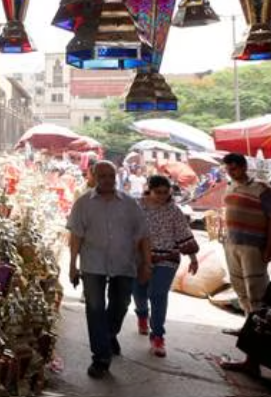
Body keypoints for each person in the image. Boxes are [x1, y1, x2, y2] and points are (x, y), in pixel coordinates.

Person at [67, 160, 152, 378]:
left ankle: (108, 334)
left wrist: (146, 263)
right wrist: (72, 265)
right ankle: (101, 358)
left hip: (124, 263)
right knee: (94, 308)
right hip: (92, 263)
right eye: (102, 176)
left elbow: (143, 235)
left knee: (121, 304)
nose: (107, 180)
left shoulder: (130, 204)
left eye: (110, 176)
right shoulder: (83, 203)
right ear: (93, 177)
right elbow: (76, 236)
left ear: (117, 177)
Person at [132, 175, 199, 357]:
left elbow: (183, 233)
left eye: (165, 193)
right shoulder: (136, 207)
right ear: (149, 189)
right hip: (139, 258)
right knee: (139, 291)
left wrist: (193, 258)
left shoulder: (173, 210)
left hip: (168, 258)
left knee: (158, 294)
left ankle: (158, 337)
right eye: (158, 192)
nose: (162, 196)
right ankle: (142, 314)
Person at [221, 153, 271, 323]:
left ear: (244, 167)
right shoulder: (229, 186)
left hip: (254, 246)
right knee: (238, 285)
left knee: (256, 287)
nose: (230, 173)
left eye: (233, 168)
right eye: (227, 169)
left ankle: (261, 328)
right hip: (232, 244)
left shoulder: (262, 189)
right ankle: (249, 326)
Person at [220, 243, 271, 379]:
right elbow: (270, 302)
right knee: (260, 315)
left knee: (262, 320)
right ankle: (251, 364)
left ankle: (253, 365)